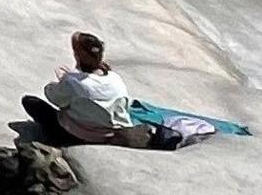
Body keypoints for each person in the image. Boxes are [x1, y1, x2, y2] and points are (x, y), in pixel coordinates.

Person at [25, 32, 163, 148]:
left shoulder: (73, 83)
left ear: (77, 56)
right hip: (114, 133)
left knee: (30, 102)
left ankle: (57, 139)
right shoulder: (116, 79)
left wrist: (64, 80)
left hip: (79, 135)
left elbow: (53, 96)